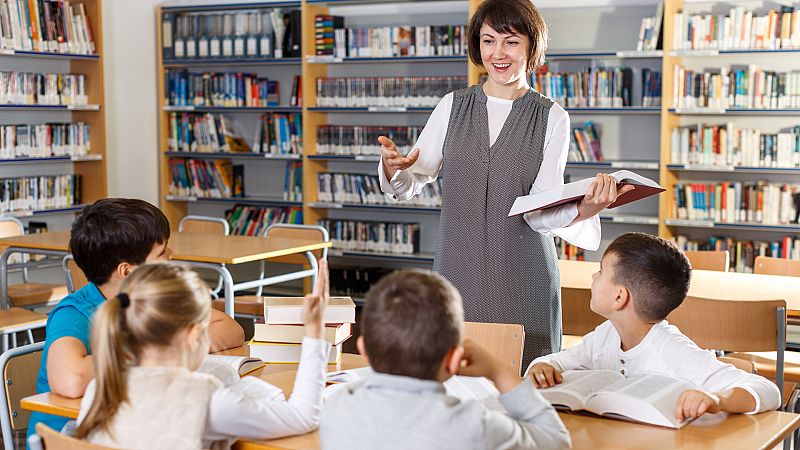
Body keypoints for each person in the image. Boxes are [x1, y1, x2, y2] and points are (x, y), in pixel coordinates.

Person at [377, 0, 631, 364]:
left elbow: (543, 209)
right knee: (451, 377)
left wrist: (586, 208)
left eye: (510, 41)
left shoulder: (551, 117)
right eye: (488, 41)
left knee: (527, 379)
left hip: (523, 275)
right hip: (455, 270)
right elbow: (410, 181)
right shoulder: (453, 106)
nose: (498, 53)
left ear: (531, 47)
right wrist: (392, 167)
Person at [27, 198, 244, 440]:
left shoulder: (155, 297)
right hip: (71, 438)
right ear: (127, 270)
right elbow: (71, 380)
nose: (172, 255)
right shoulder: (73, 313)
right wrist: (148, 350)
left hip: (127, 426)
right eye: (162, 252)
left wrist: (169, 346)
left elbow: (231, 330)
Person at [75, 261, 332, 449]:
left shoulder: (100, 387)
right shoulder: (205, 398)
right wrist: (315, 330)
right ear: (193, 334)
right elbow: (303, 416)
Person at [526, 232, 781, 421]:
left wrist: (717, 399)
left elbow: (768, 390)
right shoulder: (606, 334)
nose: (594, 277)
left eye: (601, 271)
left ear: (619, 297)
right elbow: (562, 361)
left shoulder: (672, 351)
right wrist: (543, 366)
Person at [320, 269, 571, 450]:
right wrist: (497, 369)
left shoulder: (335, 409)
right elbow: (557, 441)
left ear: (363, 349)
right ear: (454, 360)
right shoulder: (474, 425)